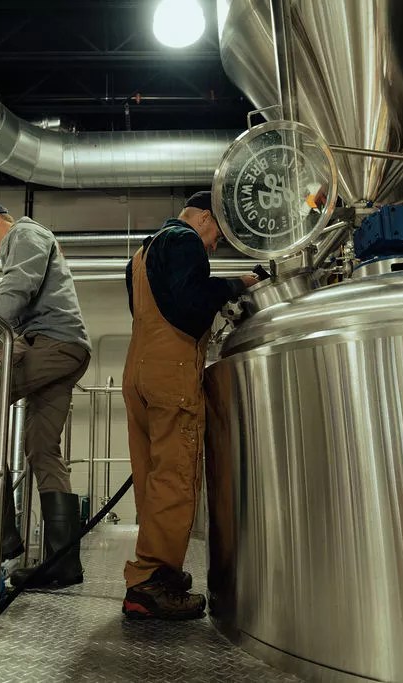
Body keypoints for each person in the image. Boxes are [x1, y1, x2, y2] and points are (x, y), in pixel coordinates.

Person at [121, 191, 258, 620]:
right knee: (176, 474)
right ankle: (150, 583)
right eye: (217, 232)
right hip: (171, 372)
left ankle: (158, 565)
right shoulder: (184, 241)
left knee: (151, 473)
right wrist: (241, 283)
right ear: (202, 217)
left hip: (138, 371)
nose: (214, 244)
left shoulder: (142, 252)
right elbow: (193, 302)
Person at [0, 201, 91, 589]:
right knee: (42, 448)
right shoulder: (35, 237)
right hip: (69, 348)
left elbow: (18, 285)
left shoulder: (23, 233)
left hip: (50, 344)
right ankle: (63, 563)